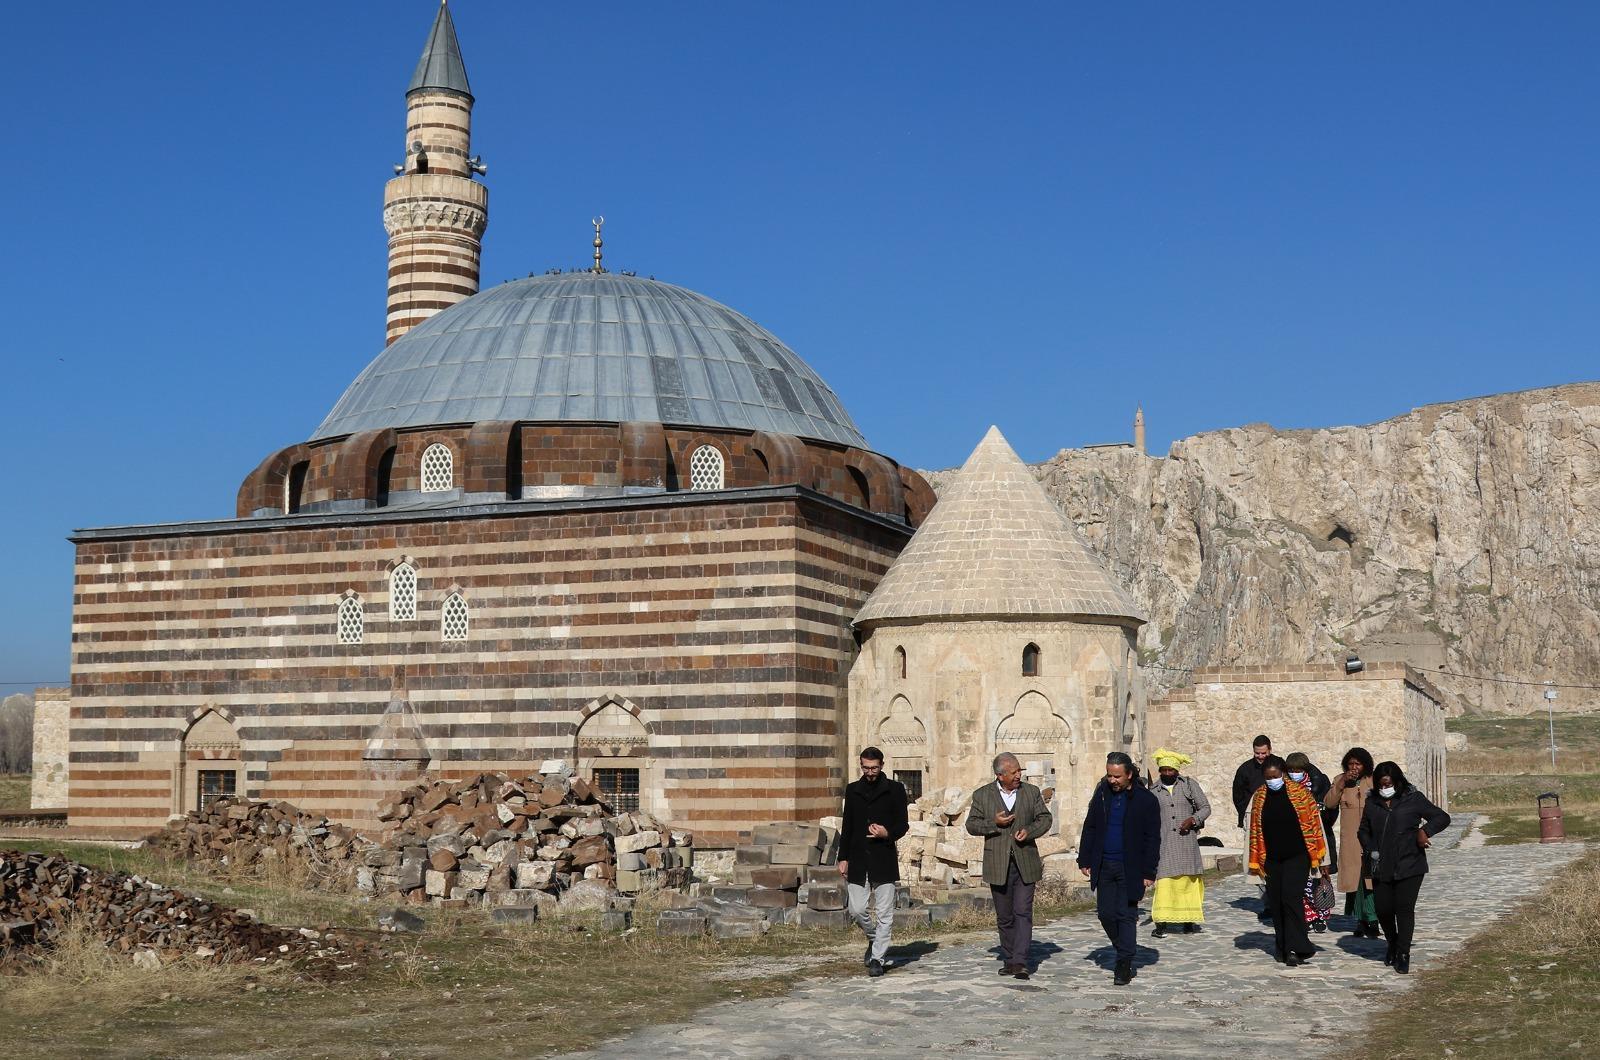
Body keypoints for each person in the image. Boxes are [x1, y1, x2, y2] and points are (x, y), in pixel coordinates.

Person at [1357, 760, 1451, 974]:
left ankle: (1403, 953)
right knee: (1383, 909)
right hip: (1380, 864)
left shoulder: (1413, 799)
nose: (1385, 788)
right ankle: (1392, 943)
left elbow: (1442, 817)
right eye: (1381, 785)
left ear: (1398, 782)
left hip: (1410, 863)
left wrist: (1425, 831)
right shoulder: (1372, 802)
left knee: (1404, 909)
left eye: (1388, 784)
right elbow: (1363, 830)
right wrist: (1370, 847)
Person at [965, 752, 1052, 979]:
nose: (1018, 775)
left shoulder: (1031, 792)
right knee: (1005, 916)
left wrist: (1029, 831)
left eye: (1019, 770)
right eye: (1013, 772)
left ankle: (1020, 961)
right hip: (998, 864)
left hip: (1025, 862)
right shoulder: (982, 795)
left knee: (1022, 912)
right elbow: (971, 825)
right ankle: (1009, 958)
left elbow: (1045, 818)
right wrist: (993, 823)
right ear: (1000, 775)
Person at [1077, 751, 1162, 986]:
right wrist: (1085, 858)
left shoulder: (1146, 800)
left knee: (1126, 914)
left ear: (1129, 774)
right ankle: (1124, 947)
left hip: (1130, 866)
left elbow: (1152, 838)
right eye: (1109, 776)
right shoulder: (1102, 794)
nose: (1112, 780)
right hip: (1104, 864)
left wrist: (1149, 871)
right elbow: (1090, 826)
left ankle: (1124, 962)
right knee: (1105, 914)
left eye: (1117, 776)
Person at [1246, 755, 1331, 967]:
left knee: (1291, 899)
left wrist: (1324, 859)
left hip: (1298, 856)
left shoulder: (1301, 794)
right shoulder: (1259, 797)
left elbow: (1316, 825)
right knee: (1276, 902)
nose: (1272, 781)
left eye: (1275, 776)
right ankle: (1282, 947)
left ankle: (1297, 947)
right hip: (1271, 859)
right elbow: (1253, 830)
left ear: (1283, 774)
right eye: (1268, 777)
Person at [838, 746, 909, 978]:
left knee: (884, 912)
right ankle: (873, 937)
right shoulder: (853, 790)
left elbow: (903, 824)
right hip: (858, 858)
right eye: (866, 768)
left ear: (882, 766)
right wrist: (843, 857)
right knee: (856, 909)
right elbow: (847, 826)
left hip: (883, 857)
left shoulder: (896, 789)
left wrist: (887, 833)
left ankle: (878, 958)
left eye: (874, 768)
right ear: (861, 765)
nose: (870, 772)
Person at [1146, 748, 1211, 937]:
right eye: (1164, 770)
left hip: (1186, 844)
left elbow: (1205, 807)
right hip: (1165, 845)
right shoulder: (1154, 791)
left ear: (1177, 770)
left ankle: (1188, 921)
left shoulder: (1189, 785)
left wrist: (1193, 819)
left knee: (1187, 883)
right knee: (1165, 884)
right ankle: (1161, 924)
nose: (1167, 773)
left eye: (1171, 770)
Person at [1324, 746, 1378, 938]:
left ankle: (1372, 919)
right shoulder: (1340, 780)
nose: (1354, 767)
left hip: (1372, 837)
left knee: (1371, 879)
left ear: (1366, 765)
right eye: (1351, 764)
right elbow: (1329, 803)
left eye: (1358, 764)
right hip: (1351, 840)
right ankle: (1360, 920)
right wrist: (1341, 784)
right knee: (1354, 879)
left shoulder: (1373, 781)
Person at [1284, 752, 1333, 933]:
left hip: (1314, 841)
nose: (1294, 774)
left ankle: (1320, 915)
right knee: (1299, 884)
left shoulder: (1317, 786)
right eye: (1291, 770)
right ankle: (1306, 917)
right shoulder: (1284, 787)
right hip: (1293, 842)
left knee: (1316, 881)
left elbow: (1329, 813)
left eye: (1298, 770)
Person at [1232, 734, 1273, 829]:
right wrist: (1246, 813)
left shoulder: (1278, 765)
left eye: (1263, 753)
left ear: (1269, 750)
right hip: (1252, 818)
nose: (1260, 756)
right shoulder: (1244, 769)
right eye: (1257, 753)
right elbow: (1237, 796)